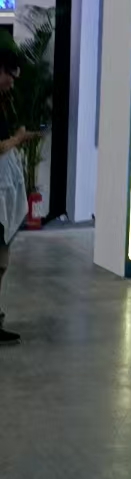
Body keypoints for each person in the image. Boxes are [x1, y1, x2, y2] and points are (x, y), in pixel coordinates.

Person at [0, 43, 31, 346]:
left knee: (2, 261)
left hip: (4, 189)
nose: (12, 83)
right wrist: (17, 139)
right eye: (10, 76)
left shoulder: (5, 102)